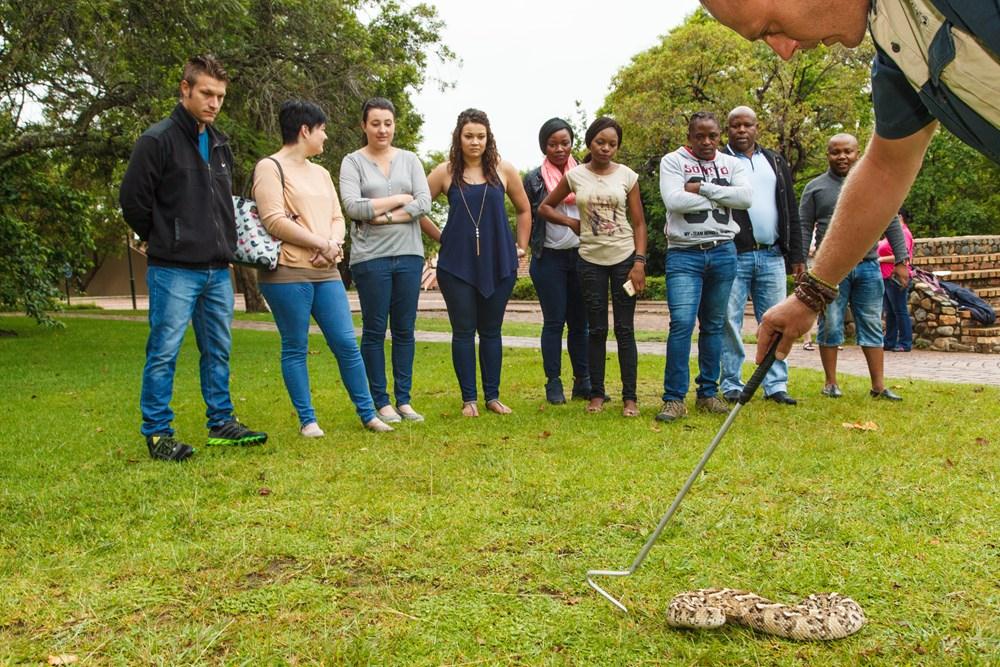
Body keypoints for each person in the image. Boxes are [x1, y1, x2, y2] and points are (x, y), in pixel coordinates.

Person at [698, 0, 1000, 363]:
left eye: (772, 27)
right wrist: (811, 294)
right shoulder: (896, 49)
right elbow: (887, 166)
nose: (784, 52)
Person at [120, 55, 267, 461]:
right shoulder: (157, 140)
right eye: (206, 93)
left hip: (218, 270)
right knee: (164, 350)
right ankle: (157, 433)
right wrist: (165, 237)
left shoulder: (220, 142)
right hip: (173, 269)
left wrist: (227, 245)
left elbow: (224, 204)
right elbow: (132, 201)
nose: (214, 102)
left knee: (218, 349)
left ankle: (222, 423)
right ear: (185, 89)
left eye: (220, 96)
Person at [253, 100, 392, 435]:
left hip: (326, 271)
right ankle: (308, 420)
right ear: (305, 130)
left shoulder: (322, 172)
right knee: (295, 345)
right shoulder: (269, 167)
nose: (325, 137)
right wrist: (319, 244)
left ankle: (368, 413)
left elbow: (336, 217)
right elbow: (273, 220)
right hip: (287, 273)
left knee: (345, 342)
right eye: (322, 130)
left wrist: (332, 245)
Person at [424, 109, 531, 417]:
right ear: (459, 137)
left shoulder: (504, 170)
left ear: (489, 137)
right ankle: (469, 399)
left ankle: (493, 397)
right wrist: (443, 237)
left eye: (481, 136)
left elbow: (524, 210)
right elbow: (418, 208)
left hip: (499, 263)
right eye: (469, 136)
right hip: (457, 266)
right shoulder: (444, 172)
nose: (475, 142)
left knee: (491, 330)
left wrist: (520, 248)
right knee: (463, 330)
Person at [540, 117, 648, 417]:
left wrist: (639, 261)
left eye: (612, 144)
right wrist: (571, 222)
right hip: (589, 261)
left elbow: (639, 222)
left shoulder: (628, 176)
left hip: (624, 258)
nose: (606, 148)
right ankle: (597, 394)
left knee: (625, 330)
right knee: (596, 329)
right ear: (589, 143)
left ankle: (630, 398)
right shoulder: (576, 176)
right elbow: (545, 207)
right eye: (600, 142)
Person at [339, 98, 433, 424]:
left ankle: (404, 400)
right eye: (375, 123)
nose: (382, 129)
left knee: (405, 330)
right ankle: (381, 401)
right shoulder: (352, 162)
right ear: (364, 125)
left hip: (409, 255)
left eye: (388, 123)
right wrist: (398, 200)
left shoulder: (409, 160)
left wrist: (382, 216)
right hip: (370, 259)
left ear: (394, 125)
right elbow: (353, 207)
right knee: (375, 329)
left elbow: (424, 202)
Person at [656, 111, 751, 423]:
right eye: (700, 136)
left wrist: (704, 189)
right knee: (681, 324)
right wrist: (725, 198)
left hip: (723, 251)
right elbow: (674, 201)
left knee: (714, 325)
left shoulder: (732, 163)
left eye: (712, 135)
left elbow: (746, 198)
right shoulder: (673, 161)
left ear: (720, 135)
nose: (707, 141)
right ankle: (674, 398)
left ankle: (708, 393)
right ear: (690, 137)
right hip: (685, 254)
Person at [799, 133, 909, 400]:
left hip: (869, 265)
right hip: (831, 271)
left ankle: (879, 386)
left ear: (857, 153)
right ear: (828, 155)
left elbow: (891, 222)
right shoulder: (815, 188)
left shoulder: (873, 184)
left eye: (847, 151)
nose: (842, 157)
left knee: (871, 322)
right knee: (831, 322)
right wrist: (800, 263)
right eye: (836, 152)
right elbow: (803, 226)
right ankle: (830, 383)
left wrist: (901, 260)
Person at [719, 106, 805, 406]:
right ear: (727, 129)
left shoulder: (776, 162)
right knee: (729, 320)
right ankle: (731, 383)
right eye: (735, 126)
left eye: (747, 125)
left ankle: (775, 384)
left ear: (758, 127)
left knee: (778, 320)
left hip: (771, 255)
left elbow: (790, 210)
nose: (742, 130)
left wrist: (797, 255)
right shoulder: (719, 162)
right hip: (734, 253)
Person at [523, 118, 591, 405]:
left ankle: (583, 382)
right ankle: (553, 382)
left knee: (581, 324)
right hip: (548, 258)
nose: (560, 148)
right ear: (544, 146)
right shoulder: (534, 178)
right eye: (553, 144)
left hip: (583, 256)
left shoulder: (586, 173)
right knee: (554, 322)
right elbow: (528, 213)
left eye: (565, 142)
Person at [877, 208, 915, 352]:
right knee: (890, 311)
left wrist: (880, 259)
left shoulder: (903, 233)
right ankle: (890, 341)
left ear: (899, 216)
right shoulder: (890, 234)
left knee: (900, 310)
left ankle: (905, 342)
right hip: (886, 276)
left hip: (896, 277)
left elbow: (903, 255)